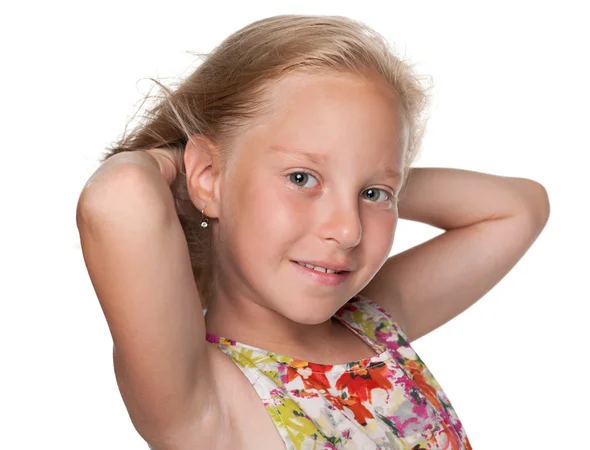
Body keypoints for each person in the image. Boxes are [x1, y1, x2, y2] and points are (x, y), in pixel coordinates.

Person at [76, 14, 549, 450]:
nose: (346, 230)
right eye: (301, 178)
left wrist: (367, 176)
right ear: (207, 176)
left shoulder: (373, 326)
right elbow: (118, 197)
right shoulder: (205, 402)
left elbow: (520, 208)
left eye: (374, 196)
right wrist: (193, 173)